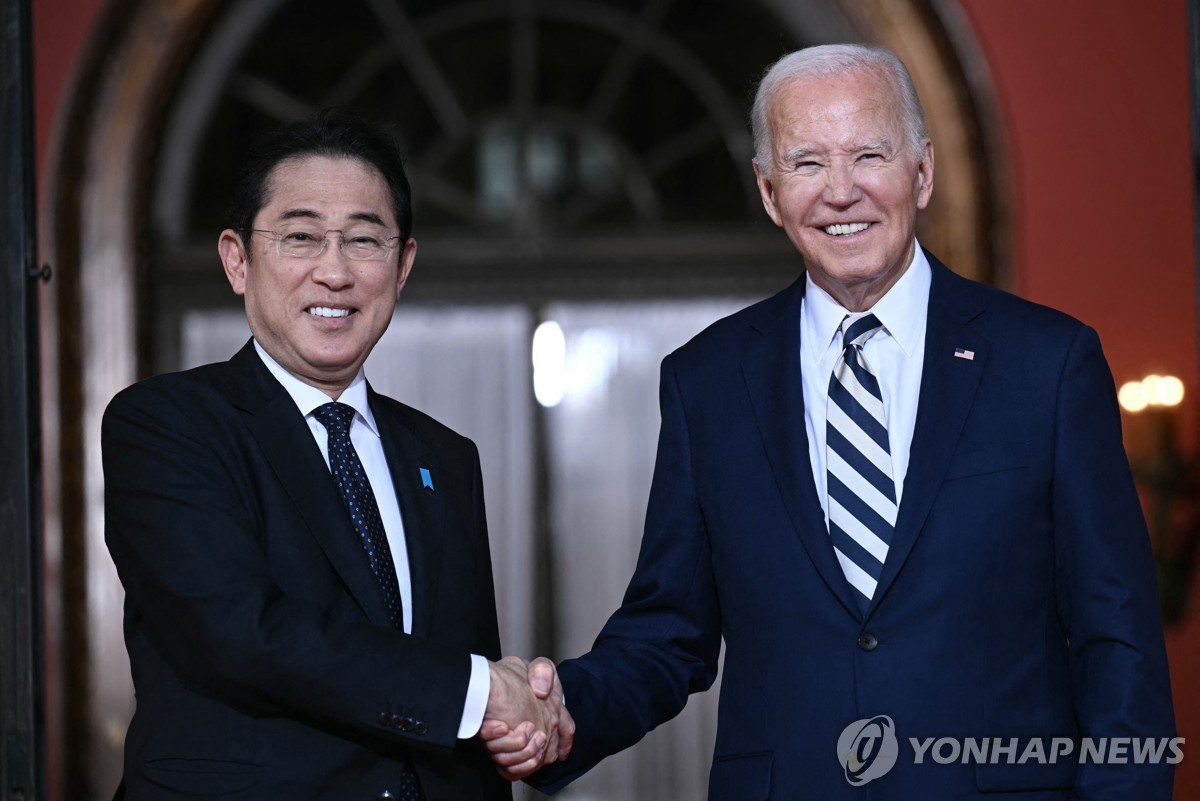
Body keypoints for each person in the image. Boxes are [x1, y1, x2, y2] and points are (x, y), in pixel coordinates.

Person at [484, 44, 1176, 799]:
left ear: (923, 171)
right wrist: (562, 710)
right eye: (808, 163)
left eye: (869, 154)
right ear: (769, 191)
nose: (841, 192)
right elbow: (668, 632)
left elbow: (1120, 643)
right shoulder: (707, 381)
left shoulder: (1047, 363)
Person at [103, 111, 570, 800]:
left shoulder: (443, 456)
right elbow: (242, 632)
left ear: (402, 264)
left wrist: (512, 720)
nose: (334, 270)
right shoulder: (168, 424)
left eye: (363, 240)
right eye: (300, 237)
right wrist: (478, 692)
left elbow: (459, 703)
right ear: (238, 259)